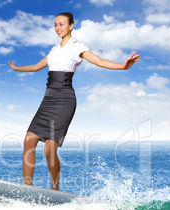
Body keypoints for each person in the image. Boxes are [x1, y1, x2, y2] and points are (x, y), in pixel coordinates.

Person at [8, 12, 140, 190]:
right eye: (55, 25)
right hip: (48, 99)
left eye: (61, 24)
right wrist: (17, 69)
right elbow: (35, 67)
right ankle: (26, 188)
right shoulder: (54, 50)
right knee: (28, 141)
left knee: (49, 149)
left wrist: (122, 66)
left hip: (64, 100)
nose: (58, 28)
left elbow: (99, 61)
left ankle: (55, 189)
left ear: (71, 26)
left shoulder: (77, 47)